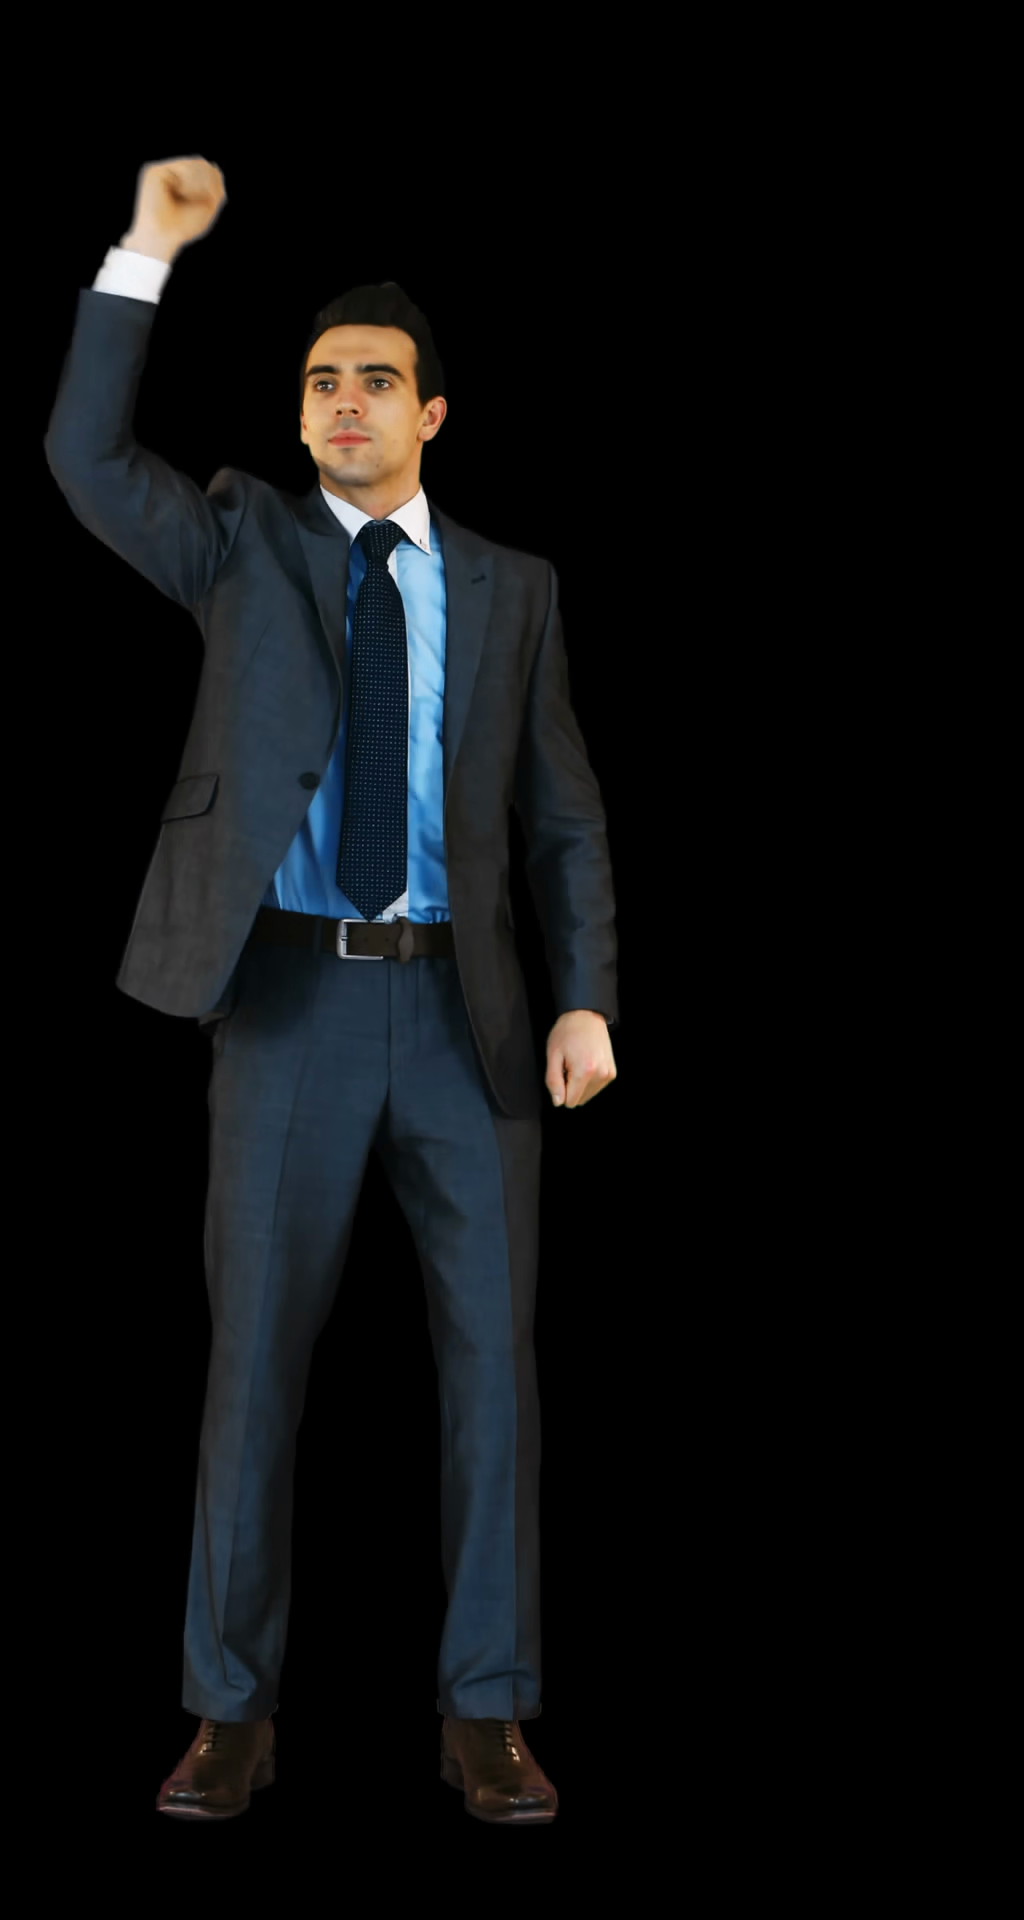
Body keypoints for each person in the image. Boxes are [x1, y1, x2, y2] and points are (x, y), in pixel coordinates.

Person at [44, 157, 619, 1827]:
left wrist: (585, 997)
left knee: (493, 1377)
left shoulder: (514, 588)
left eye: (374, 380)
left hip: (468, 1022)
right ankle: (228, 1711)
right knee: (254, 1375)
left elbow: (564, 815)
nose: (342, 401)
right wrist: (148, 252)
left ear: (431, 414)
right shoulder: (240, 543)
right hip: (286, 1007)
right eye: (319, 382)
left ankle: (487, 1712)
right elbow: (85, 457)